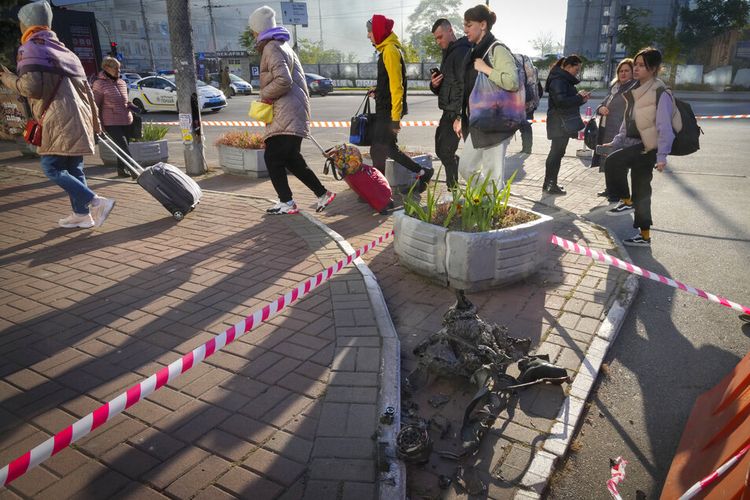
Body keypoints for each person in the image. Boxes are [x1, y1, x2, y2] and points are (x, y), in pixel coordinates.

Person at [0, 1, 114, 229]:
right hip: (79, 119)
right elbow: (88, 93)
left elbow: (31, 88)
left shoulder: (31, 48)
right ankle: (82, 215)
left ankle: (95, 201)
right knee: (74, 168)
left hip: (57, 118)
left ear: (27, 24)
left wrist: (6, 77)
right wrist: (95, 123)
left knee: (51, 167)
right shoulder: (67, 52)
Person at [248, 5, 335, 215]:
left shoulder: (271, 48)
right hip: (292, 111)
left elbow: (283, 81)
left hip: (285, 112)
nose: (252, 33)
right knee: (291, 159)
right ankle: (323, 193)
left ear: (258, 30)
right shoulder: (282, 45)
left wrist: (264, 95)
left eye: (253, 29)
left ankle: (287, 202)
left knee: (273, 157)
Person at [601, 47, 681, 247]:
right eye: (635, 64)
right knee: (642, 192)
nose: (636, 68)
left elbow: (665, 126)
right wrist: (617, 141)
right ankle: (644, 235)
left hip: (648, 148)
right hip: (634, 144)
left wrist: (662, 156)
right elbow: (627, 122)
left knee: (613, 163)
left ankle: (626, 202)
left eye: (641, 65)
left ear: (653, 68)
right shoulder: (635, 89)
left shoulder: (660, 92)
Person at [452, 4, 519, 191]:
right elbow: (468, 89)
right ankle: (486, 199)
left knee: (492, 173)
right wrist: (460, 116)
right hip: (477, 122)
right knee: (466, 168)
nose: (464, 29)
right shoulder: (473, 51)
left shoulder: (497, 49)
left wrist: (486, 69)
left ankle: (491, 210)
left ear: (483, 25)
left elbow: (512, 81)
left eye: (468, 24)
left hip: (495, 123)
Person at [367, 14, 433, 192]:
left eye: (370, 32)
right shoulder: (388, 50)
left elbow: (398, 87)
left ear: (379, 31)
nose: (368, 36)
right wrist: (378, 91)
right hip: (387, 108)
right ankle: (423, 171)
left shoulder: (389, 50)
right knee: (388, 148)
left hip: (388, 111)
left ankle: (379, 190)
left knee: (378, 149)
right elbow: (389, 83)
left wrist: (395, 118)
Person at [429, 18, 470, 189]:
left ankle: (453, 188)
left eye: (440, 37)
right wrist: (435, 85)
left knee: (445, 151)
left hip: (456, 113)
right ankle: (455, 183)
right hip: (448, 111)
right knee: (442, 151)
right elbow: (447, 86)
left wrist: (460, 116)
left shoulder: (461, 52)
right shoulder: (448, 53)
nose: (439, 42)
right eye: (436, 39)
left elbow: (465, 86)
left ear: (450, 31)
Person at [543, 54, 590, 195]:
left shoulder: (562, 79)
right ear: (568, 66)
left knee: (557, 153)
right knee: (556, 153)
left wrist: (581, 100)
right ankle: (551, 184)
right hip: (559, 123)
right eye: (577, 69)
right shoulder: (559, 80)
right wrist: (578, 97)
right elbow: (561, 102)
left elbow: (566, 101)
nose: (578, 72)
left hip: (561, 122)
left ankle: (550, 183)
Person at [593, 58, 636, 199]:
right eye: (621, 71)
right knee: (607, 161)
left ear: (632, 72)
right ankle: (609, 189)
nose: (623, 74)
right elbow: (602, 103)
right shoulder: (615, 88)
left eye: (626, 71)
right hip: (606, 129)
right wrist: (601, 108)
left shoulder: (633, 89)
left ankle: (617, 193)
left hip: (620, 132)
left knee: (618, 164)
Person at [92, 56, 135, 178]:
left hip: (126, 119)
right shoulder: (99, 84)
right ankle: (134, 170)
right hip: (110, 121)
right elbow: (96, 105)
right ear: (106, 68)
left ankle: (121, 170)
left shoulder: (122, 82)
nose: (118, 71)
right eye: (115, 68)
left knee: (122, 147)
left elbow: (125, 101)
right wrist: (98, 123)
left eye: (119, 68)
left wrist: (132, 106)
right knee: (123, 146)